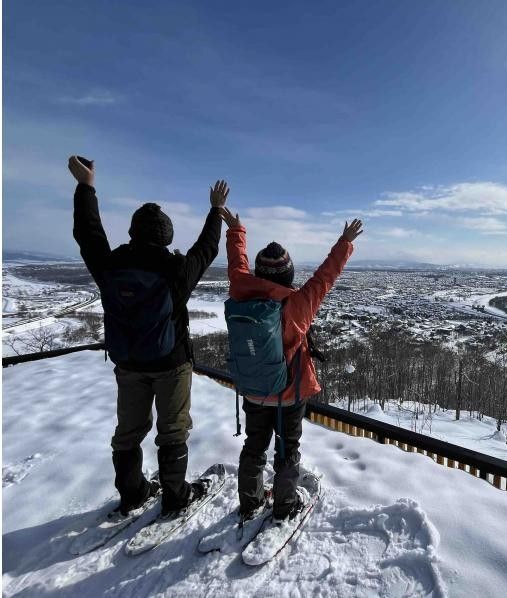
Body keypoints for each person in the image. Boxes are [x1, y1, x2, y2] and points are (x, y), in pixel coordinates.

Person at [69, 155, 227, 516]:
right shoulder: (174, 270)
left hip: (128, 362)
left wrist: (85, 187)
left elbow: (88, 234)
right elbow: (206, 250)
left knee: (128, 432)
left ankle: (133, 493)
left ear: (133, 231)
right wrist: (215, 211)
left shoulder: (111, 266)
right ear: (166, 234)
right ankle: (175, 496)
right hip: (171, 362)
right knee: (173, 431)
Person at [221, 206, 363, 521]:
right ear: (288, 274)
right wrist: (345, 242)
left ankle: (250, 501)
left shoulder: (240, 290)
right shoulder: (297, 305)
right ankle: (285, 505)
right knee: (286, 449)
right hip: (288, 394)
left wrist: (235, 231)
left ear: (258, 273)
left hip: (253, 389)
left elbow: (236, 263)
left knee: (254, 445)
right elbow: (326, 276)